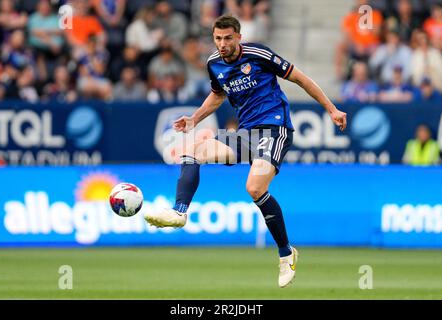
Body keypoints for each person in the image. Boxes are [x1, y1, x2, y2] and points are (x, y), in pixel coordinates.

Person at [144, 15, 347, 288]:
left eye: (228, 38)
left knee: (254, 187)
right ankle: (179, 212)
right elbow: (217, 96)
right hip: (245, 135)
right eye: (218, 38)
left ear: (238, 37)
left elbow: (300, 78)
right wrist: (194, 119)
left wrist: (331, 109)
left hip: (274, 130)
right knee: (192, 149)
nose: (223, 44)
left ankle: (286, 253)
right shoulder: (213, 64)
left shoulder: (259, 54)